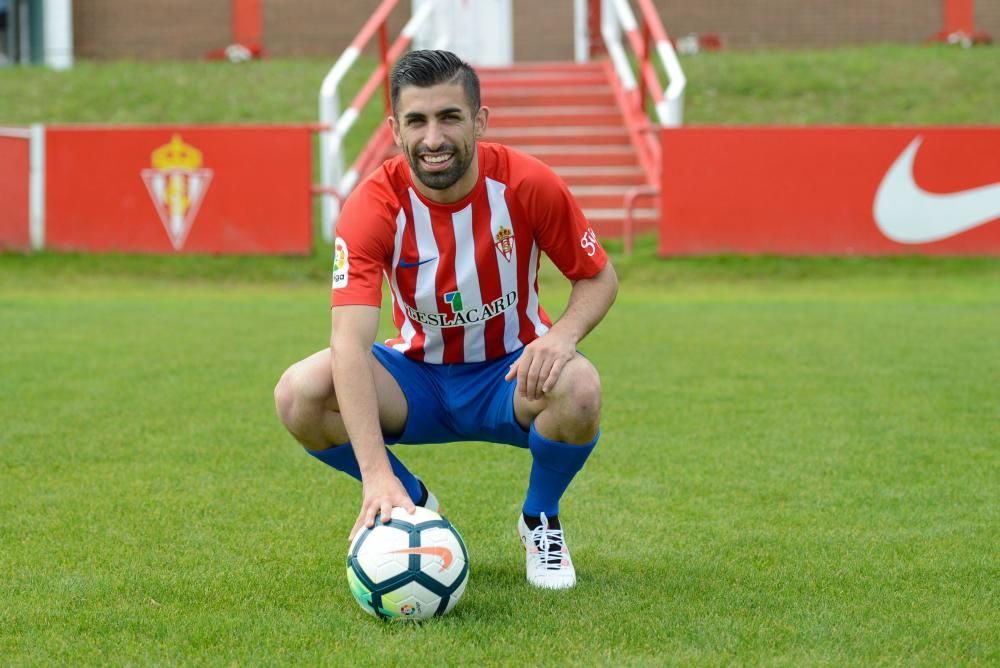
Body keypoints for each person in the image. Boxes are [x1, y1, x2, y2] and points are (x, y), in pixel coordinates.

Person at [274, 50, 617, 590]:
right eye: (417, 121)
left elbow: (599, 276)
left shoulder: (528, 185)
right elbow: (349, 343)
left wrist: (561, 337)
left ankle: (540, 520)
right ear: (395, 130)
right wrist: (376, 476)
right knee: (299, 392)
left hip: (510, 374)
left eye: (449, 117)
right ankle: (410, 502)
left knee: (580, 387)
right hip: (416, 379)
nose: (433, 138)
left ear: (478, 121)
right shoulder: (373, 205)